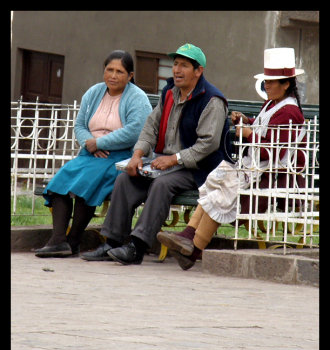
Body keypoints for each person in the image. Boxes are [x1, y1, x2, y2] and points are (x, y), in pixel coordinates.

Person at [81, 43, 232, 264]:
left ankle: (136, 247)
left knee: (162, 185)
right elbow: (150, 126)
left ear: (198, 71)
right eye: (176, 64)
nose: (177, 70)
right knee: (126, 179)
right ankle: (112, 242)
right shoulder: (169, 93)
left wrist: (174, 159)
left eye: (184, 66)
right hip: (164, 163)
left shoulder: (212, 100)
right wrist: (138, 154)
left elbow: (208, 145)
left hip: (197, 168)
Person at [157, 47, 306, 270]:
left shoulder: (290, 112)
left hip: (272, 174)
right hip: (256, 169)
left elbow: (274, 150)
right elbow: (264, 126)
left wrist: (248, 133)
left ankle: (193, 246)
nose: (267, 85)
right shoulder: (273, 104)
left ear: (286, 84)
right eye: (266, 81)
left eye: (272, 82)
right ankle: (189, 241)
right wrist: (246, 120)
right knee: (218, 181)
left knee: (224, 188)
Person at [35, 50, 152, 257]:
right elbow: (80, 124)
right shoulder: (94, 92)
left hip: (119, 158)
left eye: (119, 71)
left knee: (86, 184)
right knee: (60, 181)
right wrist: (89, 144)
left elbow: (135, 131)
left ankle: (74, 240)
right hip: (89, 154)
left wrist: (99, 142)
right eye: (109, 70)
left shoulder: (137, 98)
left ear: (130, 76)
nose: (113, 76)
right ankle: (59, 240)